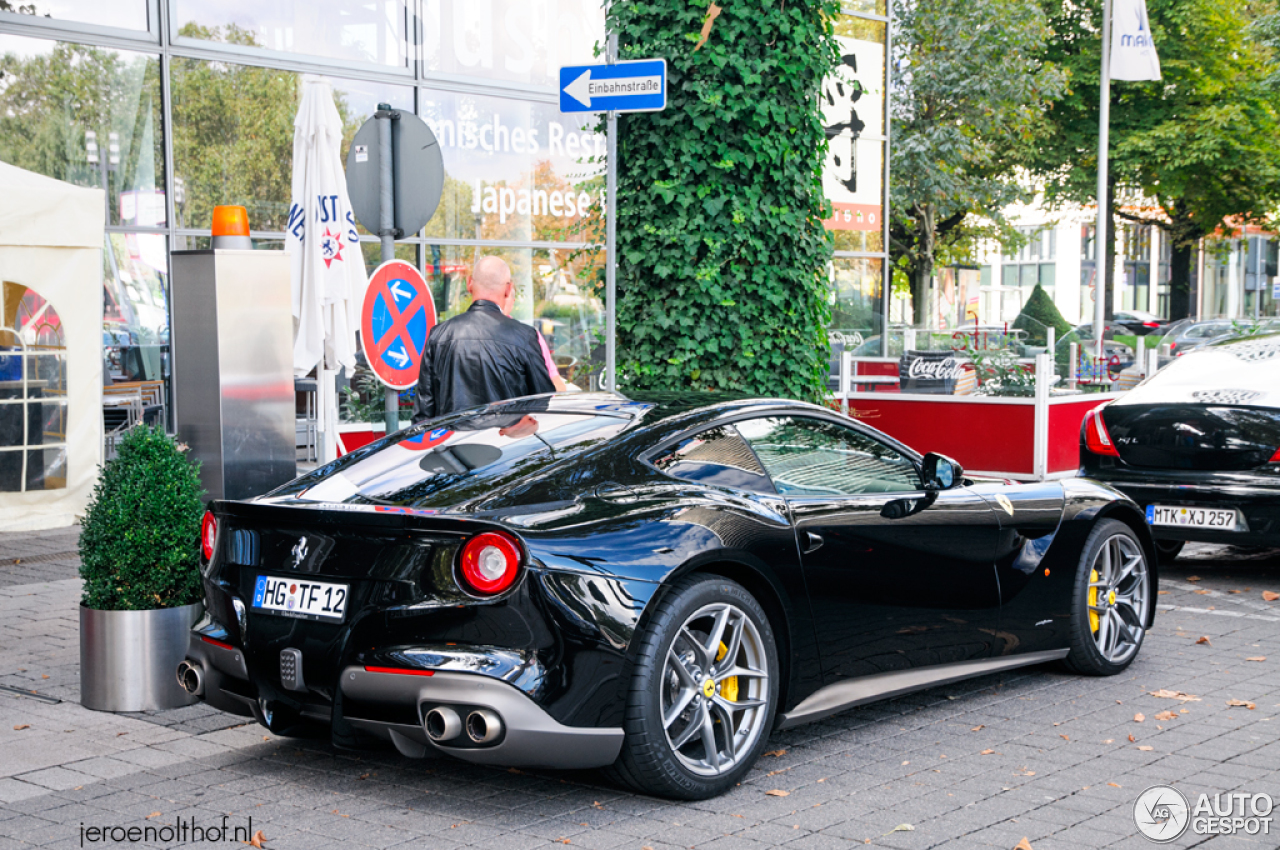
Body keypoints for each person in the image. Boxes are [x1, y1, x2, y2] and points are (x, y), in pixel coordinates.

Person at [413, 256, 556, 423]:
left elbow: (423, 414)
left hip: (452, 445)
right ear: (508, 289)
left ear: (469, 283)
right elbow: (543, 401)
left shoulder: (439, 335)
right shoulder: (525, 336)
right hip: (506, 445)